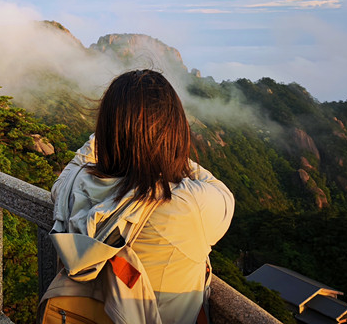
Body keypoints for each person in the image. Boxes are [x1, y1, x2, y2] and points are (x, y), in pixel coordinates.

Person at [51, 69, 234, 324]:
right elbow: (222, 192)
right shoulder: (185, 205)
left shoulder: (71, 186)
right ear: (175, 131)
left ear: (105, 129)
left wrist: (111, 132)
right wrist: (168, 152)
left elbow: (75, 165)